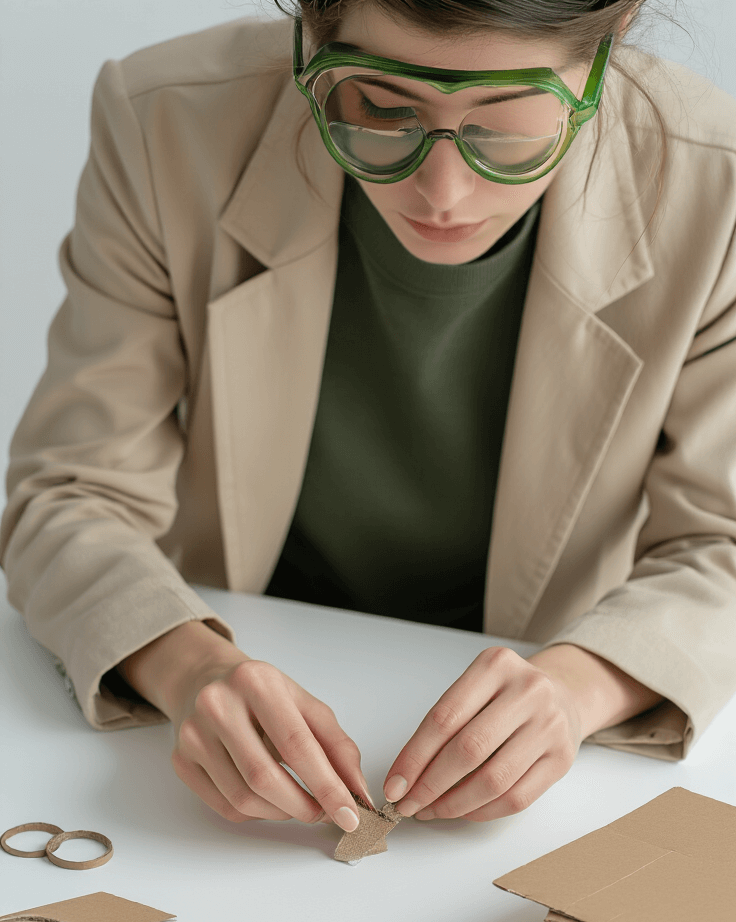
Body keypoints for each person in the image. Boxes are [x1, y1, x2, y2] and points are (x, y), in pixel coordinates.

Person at [2, 0, 736, 840]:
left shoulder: (717, 184)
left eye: (509, 124)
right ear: (311, 40)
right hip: (243, 655)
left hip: (541, 705)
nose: (443, 192)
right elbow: (66, 492)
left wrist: (580, 687)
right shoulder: (164, 124)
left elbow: (723, 543)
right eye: (381, 109)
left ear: (605, 60)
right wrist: (186, 664)